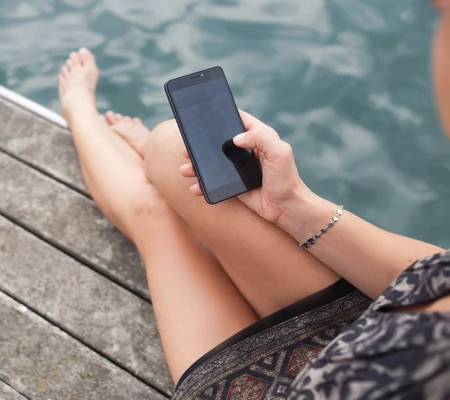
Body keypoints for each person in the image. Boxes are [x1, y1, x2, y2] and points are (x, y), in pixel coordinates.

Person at [57, 0, 450, 398]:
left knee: (154, 214)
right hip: (377, 323)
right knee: (174, 146)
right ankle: (149, 156)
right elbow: (436, 275)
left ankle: (78, 109)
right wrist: (296, 207)